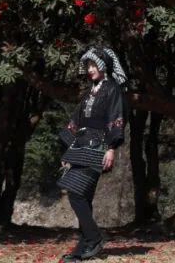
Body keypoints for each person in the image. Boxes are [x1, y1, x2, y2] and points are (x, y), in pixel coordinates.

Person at [57, 47, 128, 262]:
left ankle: (94, 238)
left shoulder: (112, 89)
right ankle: (82, 250)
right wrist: (67, 150)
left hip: (99, 147)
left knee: (75, 192)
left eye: (93, 65)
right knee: (83, 198)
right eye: (87, 65)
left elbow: (116, 118)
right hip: (80, 147)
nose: (90, 69)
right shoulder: (90, 91)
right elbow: (76, 120)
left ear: (103, 65)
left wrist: (111, 148)